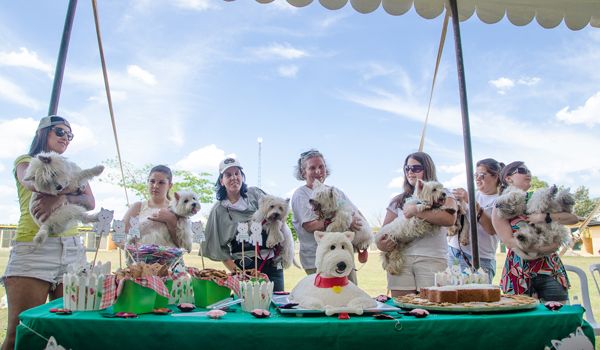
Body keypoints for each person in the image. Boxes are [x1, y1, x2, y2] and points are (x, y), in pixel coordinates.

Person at [1, 115, 96, 350]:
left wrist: (63, 196)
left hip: (72, 249)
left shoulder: (71, 167)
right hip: (34, 249)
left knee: (67, 328)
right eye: (60, 131)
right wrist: (65, 187)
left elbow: (90, 202)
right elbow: (31, 182)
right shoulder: (26, 160)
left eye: (70, 134)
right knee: (20, 331)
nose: (66, 137)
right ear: (42, 133)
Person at [492, 161, 577, 302]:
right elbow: (509, 241)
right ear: (508, 178)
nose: (528, 173)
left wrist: (544, 217)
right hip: (519, 270)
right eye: (522, 170)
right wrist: (548, 248)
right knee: (523, 320)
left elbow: (572, 219)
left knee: (558, 315)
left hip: (550, 270)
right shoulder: (501, 205)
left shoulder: (541, 198)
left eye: (529, 170)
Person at [375, 151, 457, 297]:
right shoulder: (397, 200)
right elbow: (383, 233)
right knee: (403, 308)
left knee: (433, 307)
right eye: (407, 168)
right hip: (401, 261)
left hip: (432, 259)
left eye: (416, 168)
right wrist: (382, 244)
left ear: (427, 168)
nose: (410, 172)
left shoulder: (444, 194)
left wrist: (414, 210)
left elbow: (449, 219)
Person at [201, 158, 289, 291]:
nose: (234, 178)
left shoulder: (256, 195)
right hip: (243, 267)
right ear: (221, 181)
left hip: (272, 265)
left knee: (275, 305)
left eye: (237, 173)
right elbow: (220, 249)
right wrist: (238, 273)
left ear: (242, 177)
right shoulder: (218, 210)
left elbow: (280, 213)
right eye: (228, 175)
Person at [290, 149, 366, 285]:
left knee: (350, 295)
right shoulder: (301, 195)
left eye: (321, 167)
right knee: (325, 298)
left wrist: (363, 238)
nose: (318, 171)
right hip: (317, 258)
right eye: (312, 168)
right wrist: (343, 218)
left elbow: (356, 213)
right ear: (303, 172)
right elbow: (310, 226)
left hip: (343, 255)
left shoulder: (335, 192)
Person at [448, 158, 504, 283]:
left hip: (481, 259)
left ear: (496, 176)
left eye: (482, 175)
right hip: (454, 252)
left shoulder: (501, 200)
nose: (477, 178)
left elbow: (491, 228)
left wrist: (470, 201)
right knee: (451, 297)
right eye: (476, 175)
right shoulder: (473, 194)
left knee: (476, 299)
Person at [121, 165, 181, 248]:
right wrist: (131, 248)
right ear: (147, 182)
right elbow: (119, 234)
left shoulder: (178, 209)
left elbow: (183, 245)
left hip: (171, 260)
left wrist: (170, 221)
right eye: (152, 181)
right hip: (140, 260)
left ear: (170, 185)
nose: (155, 186)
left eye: (161, 182)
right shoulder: (137, 207)